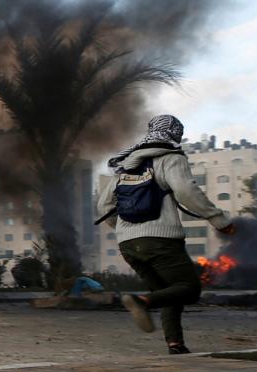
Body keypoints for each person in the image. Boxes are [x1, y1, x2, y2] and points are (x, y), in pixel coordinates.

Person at [98, 114, 235, 355]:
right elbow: (186, 191)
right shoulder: (170, 158)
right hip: (161, 240)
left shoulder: (124, 165)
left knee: (167, 293)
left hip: (129, 245)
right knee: (189, 288)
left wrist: (123, 230)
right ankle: (142, 301)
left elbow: (104, 206)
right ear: (175, 134)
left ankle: (175, 344)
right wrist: (218, 220)